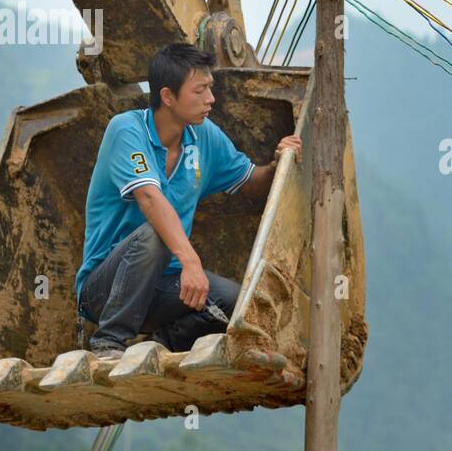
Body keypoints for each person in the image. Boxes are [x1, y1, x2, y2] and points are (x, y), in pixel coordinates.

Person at [75, 43, 301, 359]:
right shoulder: (126, 131)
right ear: (168, 97)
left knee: (233, 301)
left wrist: (278, 165)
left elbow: (250, 182)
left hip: (159, 291)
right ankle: (109, 343)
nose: (211, 98)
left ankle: (159, 345)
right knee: (157, 234)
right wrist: (191, 262)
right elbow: (150, 200)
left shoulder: (204, 136)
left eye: (210, 88)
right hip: (103, 292)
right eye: (200, 90)